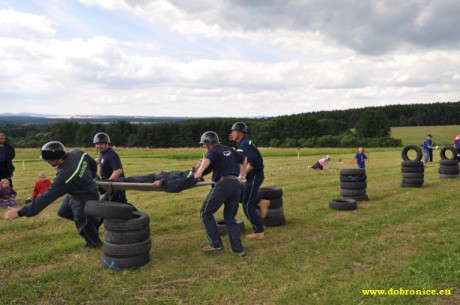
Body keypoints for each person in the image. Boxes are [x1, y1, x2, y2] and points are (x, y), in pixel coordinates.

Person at [4, 141, 103, 248]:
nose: (46, 161)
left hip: (85, 198)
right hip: (74, 193)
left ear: (56, 159)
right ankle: (95, 220)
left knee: (82, 222)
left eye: (47, 160)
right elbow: (92, 163)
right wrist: (91, 177)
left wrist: (20, 212)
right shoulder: (76, 152)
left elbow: (45, 198)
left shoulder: (65, 177)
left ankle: (94, 242)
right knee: (63, 211)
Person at [194, 131, 248, 257]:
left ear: (208, 143)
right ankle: (238, 249)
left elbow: (207, 160)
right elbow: (244, 159)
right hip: (235, 185)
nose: (204, 147)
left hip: (223, 185)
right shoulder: (229, 149)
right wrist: (242, 175)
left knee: (205, 213)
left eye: (204, 144)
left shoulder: (212, 151)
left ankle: (216, 244)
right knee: (230, 218)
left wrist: (199, 171)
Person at [229, 122, 268, 240]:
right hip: (250, 177)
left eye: (233, 131)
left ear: (240, 132)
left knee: (247, 205)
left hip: (254, 177)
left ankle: (259, 232)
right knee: (240, 195)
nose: (231, 134)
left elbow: (253, 162)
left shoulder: (245, 144)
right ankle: (260, 202)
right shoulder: (241, 144)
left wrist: (242, 174)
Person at [107, 160, 203, 193]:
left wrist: (161, 183)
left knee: (132, 180)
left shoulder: (192, 176)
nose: (199, 162)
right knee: (132, 179)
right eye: (199, 161)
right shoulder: (191, 174)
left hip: (156, 179)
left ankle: (108, 183)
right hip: (158, 176)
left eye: (200, 162)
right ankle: (108, 183)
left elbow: (177, 185)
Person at [94, 132, 127, 203]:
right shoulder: (103, 153)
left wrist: (108, 183)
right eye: (97, 144)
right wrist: (91, 162)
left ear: (107, 144)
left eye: (101, 144)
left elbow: (118, 171)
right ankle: (138, 214)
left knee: (103, 205)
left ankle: (139, 214)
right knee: (122, 205)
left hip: (116, 187)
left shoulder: (111, 155)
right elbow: (101, 159)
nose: (98, 146)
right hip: (112, 187)